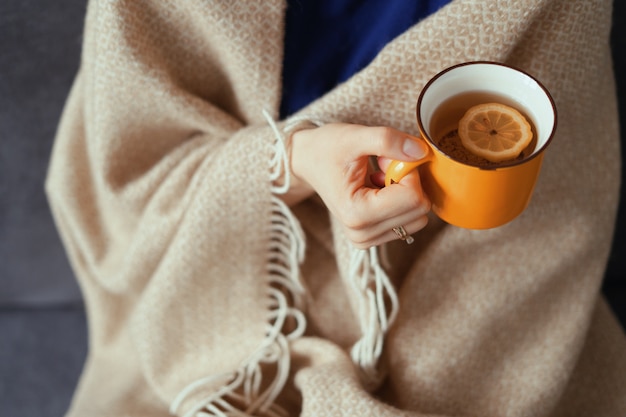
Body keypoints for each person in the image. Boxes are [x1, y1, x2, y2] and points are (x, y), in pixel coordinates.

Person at [46, 0, 626, 416]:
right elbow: (129, 177)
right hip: (212, 302)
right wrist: (287, 161)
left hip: (463, 305)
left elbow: (556, 205)